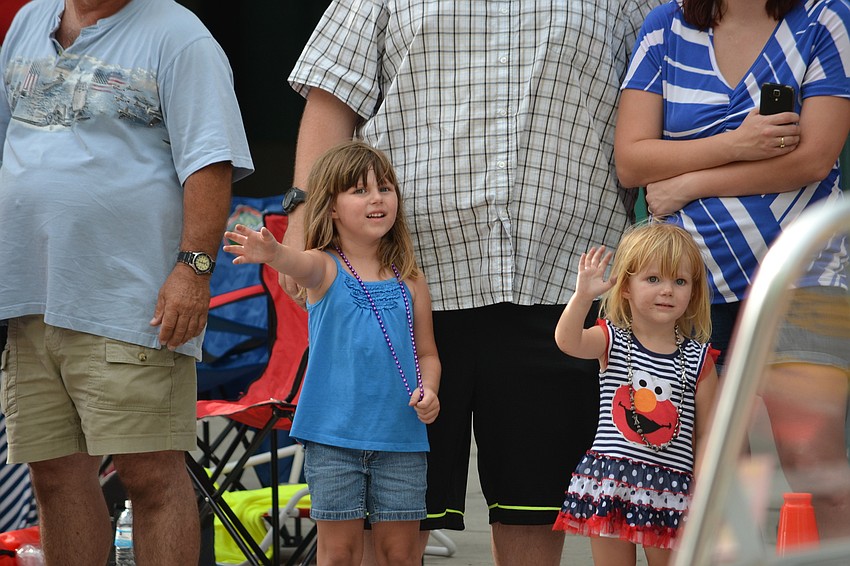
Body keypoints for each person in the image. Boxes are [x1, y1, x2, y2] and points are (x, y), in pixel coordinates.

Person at [286, 2, 661, 563]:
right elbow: (331, 97)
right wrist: (303, 211)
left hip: (561, 279)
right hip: (405, 280)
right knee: (381, 522)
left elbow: (660, 96)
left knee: (533, 504)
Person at [0, 1, 253, 564]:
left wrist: (193, 271)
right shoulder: (27, 22)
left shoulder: (181, 36)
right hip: (27, 297)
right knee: (55, 478)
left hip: (131, 302)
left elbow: (209, 164)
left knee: (151, 478)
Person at [614, 0, 850, 540]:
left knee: (813, 457)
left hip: (802, 272)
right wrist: (736, 145)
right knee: (721, 468)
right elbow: (632, 159)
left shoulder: (824, 17)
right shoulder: (665, 25)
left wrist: (691, 181)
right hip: (691, 284)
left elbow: (814, 158)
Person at [223, 140, 441, 566]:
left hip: (401, 438)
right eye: (359, 190)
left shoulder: (412, 281)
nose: (377, 198)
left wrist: (429, 390)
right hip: (332, 440)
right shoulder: (324, 267)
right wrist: (273, 254)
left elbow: (427, 354)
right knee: (337, 553)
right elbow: (296, 263)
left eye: (385, 187)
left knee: (401, 553)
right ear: (333, 208)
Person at [552, 222, 719, 566]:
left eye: (680, 281)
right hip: (612, 481)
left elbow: (708, 434)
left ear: (693, 292)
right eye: (653, 279)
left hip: (670, 488)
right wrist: (583, 296)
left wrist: (702, 489)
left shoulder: (700, 359)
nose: (667, 291)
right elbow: (567, 342)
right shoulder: (611, 339)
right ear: (626, 287)